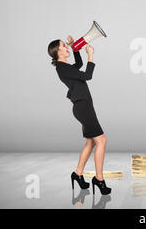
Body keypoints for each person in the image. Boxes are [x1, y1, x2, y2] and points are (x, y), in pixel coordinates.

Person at [47, 36, 111, 195]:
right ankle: (99, 180)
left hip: (83, 107)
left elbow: (80, 65)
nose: (66, 47)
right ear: (58, 52)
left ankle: (77, 174)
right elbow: (87, 75)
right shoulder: (62, 68)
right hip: (83, 108)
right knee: (101, 140)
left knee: (91, 142)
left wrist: (75, 48)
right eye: (63, 46)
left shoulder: (65, 67)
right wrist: (90, 54)